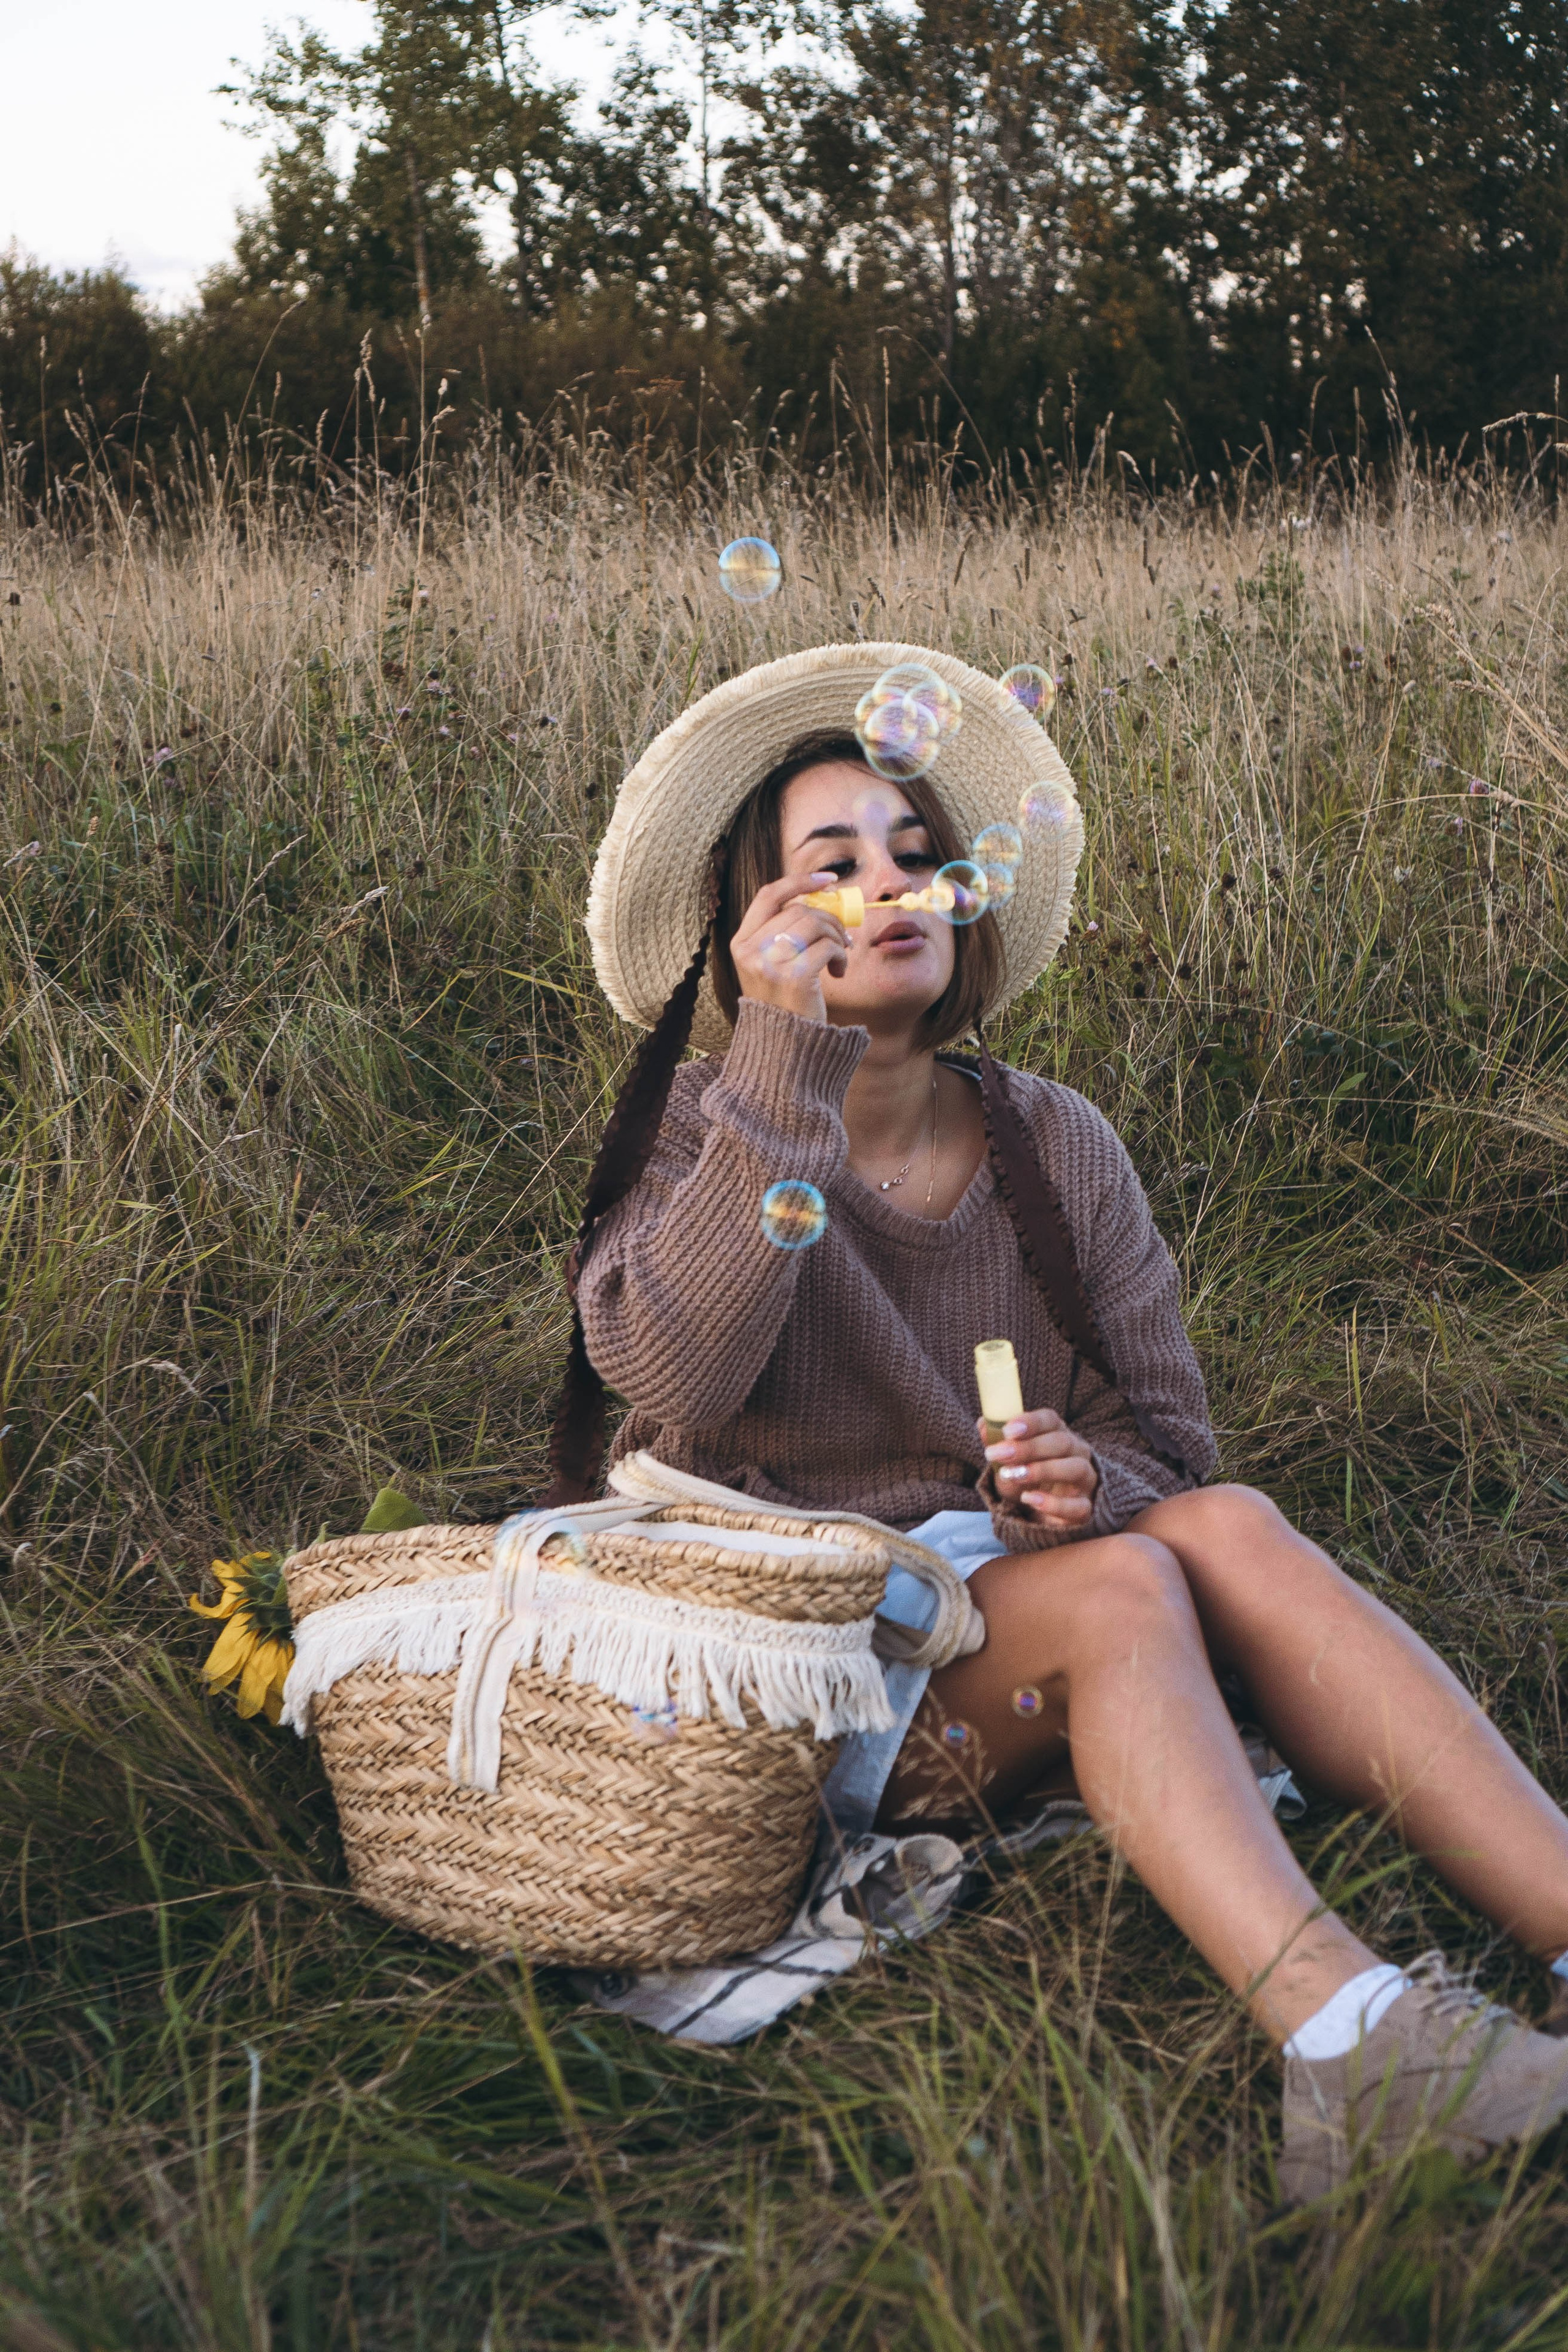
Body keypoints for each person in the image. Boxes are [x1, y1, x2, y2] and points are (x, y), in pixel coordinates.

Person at [568, 643, 1568, 2202]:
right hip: (806, 1680)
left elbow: (1171, 1445)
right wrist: (779, 1073)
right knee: (1124, 1586)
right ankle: (1351, 2045)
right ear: (749, 930)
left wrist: (1083, 1476)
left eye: (914, 855)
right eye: (827, 865)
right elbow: (677, 1380)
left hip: (1008, 1625)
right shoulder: (699, 1132)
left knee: (1211, 1531)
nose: (884, 883)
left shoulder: (1049, 1142)